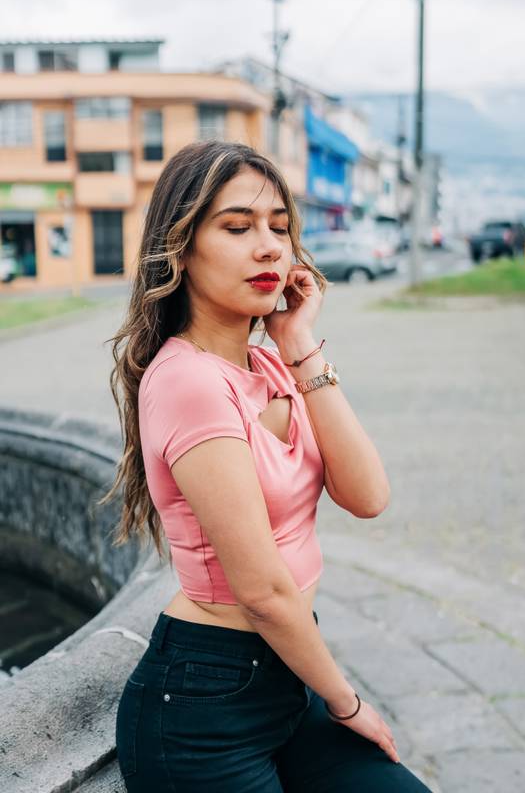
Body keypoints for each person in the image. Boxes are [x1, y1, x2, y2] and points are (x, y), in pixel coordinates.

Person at [102, 140, 432, 792]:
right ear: (180, 246)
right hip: (201, 710)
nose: (269, 248)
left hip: (283, 681)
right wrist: (348, 700)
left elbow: (367, 495)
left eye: (279, 228)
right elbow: (262, 589)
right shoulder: (188, 381)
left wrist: (299, 344)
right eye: (237, 227)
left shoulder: (271, 366)